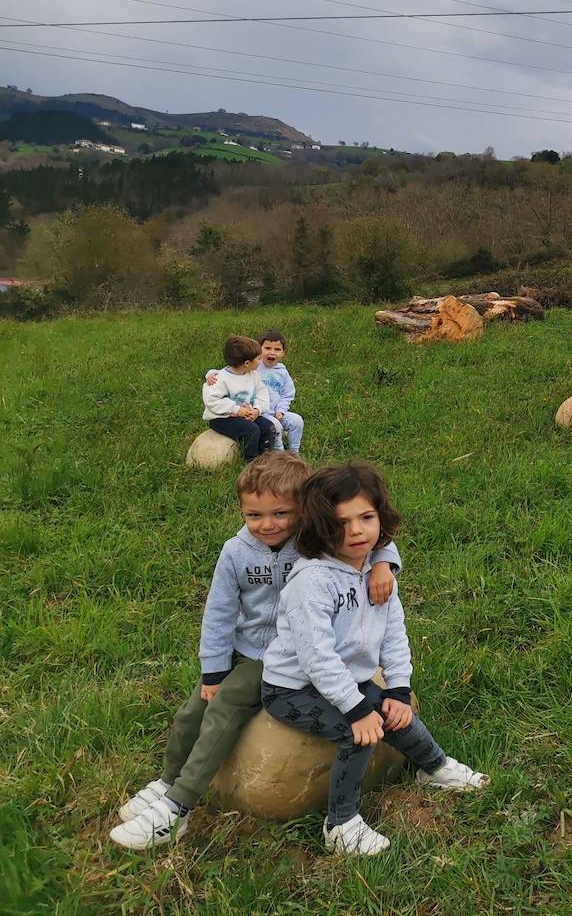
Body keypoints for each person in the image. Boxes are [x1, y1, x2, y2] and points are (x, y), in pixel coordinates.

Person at [109, 453, 402, 850]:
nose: (268, 524)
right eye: (254, 515)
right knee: (191, 713)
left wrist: (386, 564)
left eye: (281, 513)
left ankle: (179, 807)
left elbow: (370, 539)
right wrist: (214, 670)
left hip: (278, 659)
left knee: (223, 712)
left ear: (306, 510)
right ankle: (166, 781)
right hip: (242, 649)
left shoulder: (314, 545)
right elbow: (219, 612)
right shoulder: (236, 551)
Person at [260, 462, 489, 856]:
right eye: (340, 523)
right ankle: (340, 824)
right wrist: (356, 710)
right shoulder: (311, 582)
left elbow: (393, 634)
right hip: (293, 688)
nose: (356, 531)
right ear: (318, 527)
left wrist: (398, 690)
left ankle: (433, 768)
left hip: (351, 679)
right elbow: (317, 658)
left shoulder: (377, 573)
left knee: (399, 717)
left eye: (366, 518)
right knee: (359, 733)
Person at [208, 331, 302, 454]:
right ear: (259, 349)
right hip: (254, 412)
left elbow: (287, 394)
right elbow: (230, 370)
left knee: (297, 421)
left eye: (277, 349)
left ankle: (294, 452)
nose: (272, 352)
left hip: (272, 410)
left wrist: (281, 410)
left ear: (284, 352)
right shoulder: (253, 367)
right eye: (267, 348)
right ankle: (278, 455)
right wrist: (209, 374)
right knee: (273, 427)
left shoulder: (280, 371)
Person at [202, 335, 277, 460]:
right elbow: (212, 401)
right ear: (247, 363)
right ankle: (252, 461)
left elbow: (262, 393)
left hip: (246, 414)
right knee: (252, 430)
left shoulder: (253, 375)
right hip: (222, 418)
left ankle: (266, 458)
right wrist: (236, 409)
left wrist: (257, 410)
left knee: (268, 427)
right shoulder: (219, 379)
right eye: (258, 359)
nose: (260, 362)